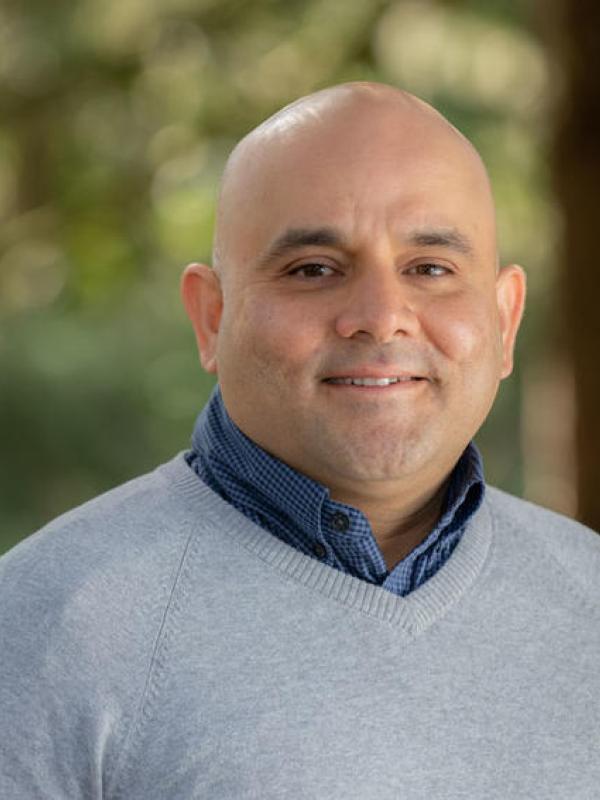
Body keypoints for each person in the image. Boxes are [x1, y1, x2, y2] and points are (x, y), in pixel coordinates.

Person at [1, 82, 599, 799]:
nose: (381, 317)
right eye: (313, 269)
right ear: (211, 318)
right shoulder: (40, 627)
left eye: (430, 269)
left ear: (505, 320)